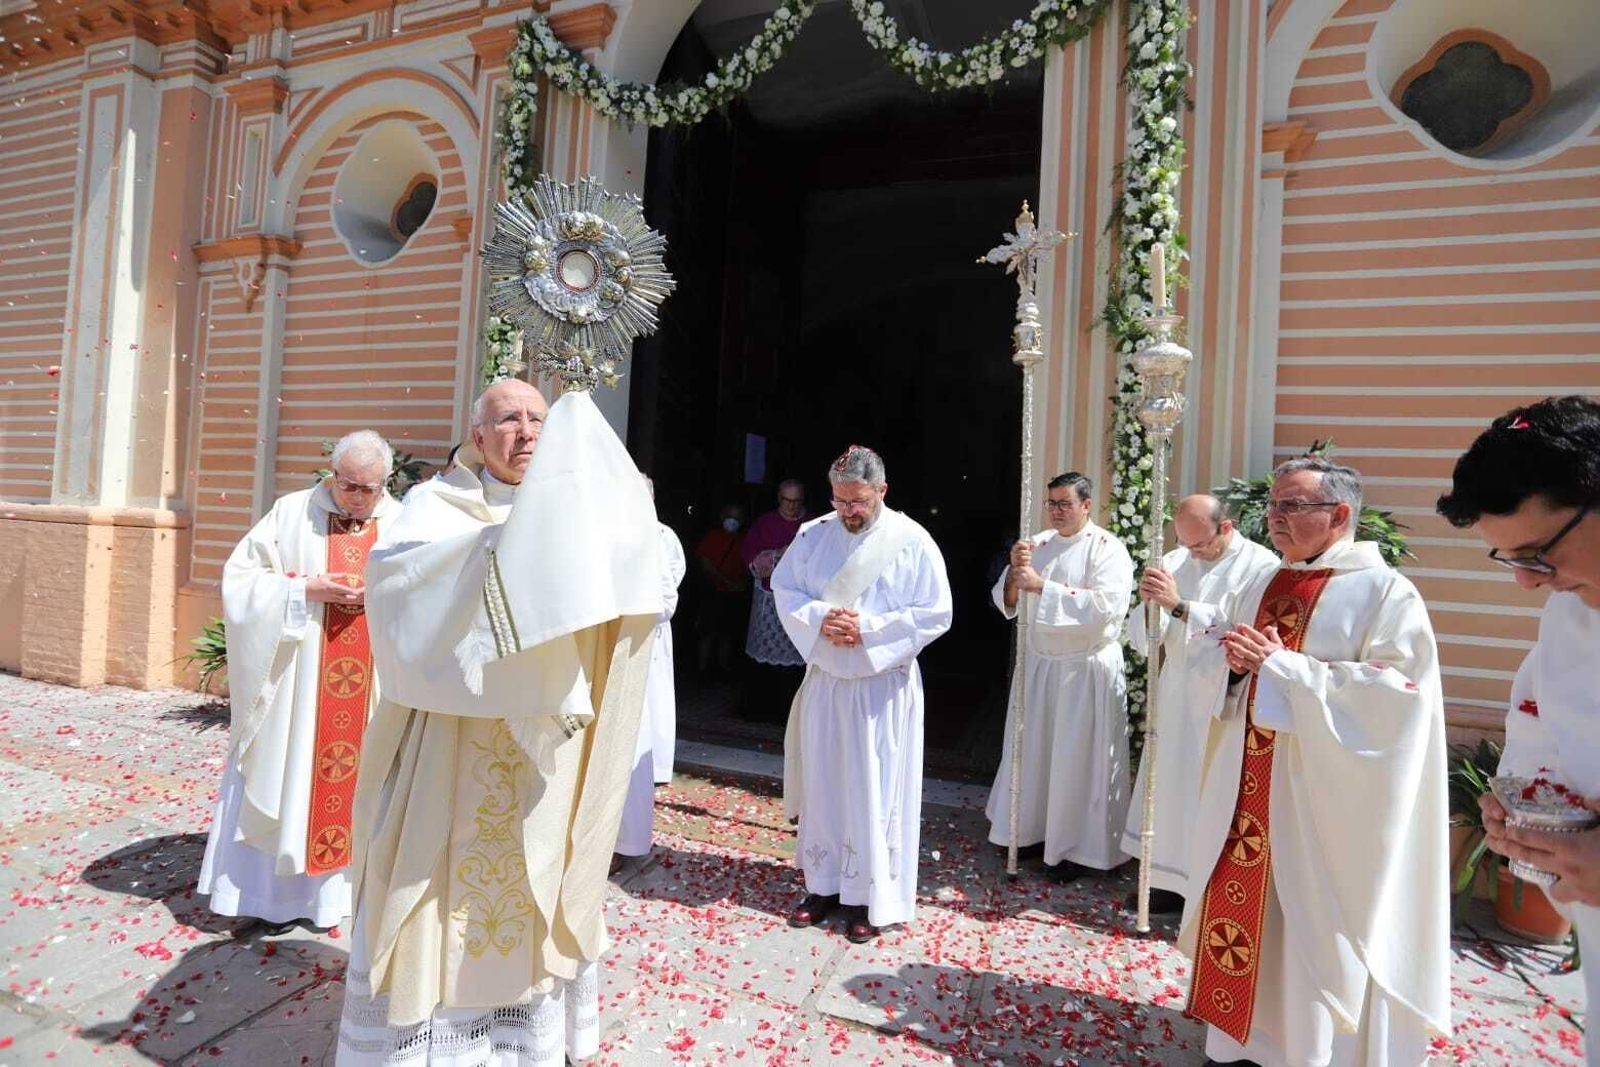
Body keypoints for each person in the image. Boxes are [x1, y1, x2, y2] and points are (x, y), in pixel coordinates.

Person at [335, 378, 661, 1067]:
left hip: (549, 754)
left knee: (537, 874)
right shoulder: (435, 505)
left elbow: (655, 572)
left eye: (537, 417)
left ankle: (529, 1042)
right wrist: (512, 548)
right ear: (477, 436)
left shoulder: (586, 512)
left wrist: (627, 525)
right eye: (507, 418)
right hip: (451, 747)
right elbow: (396, 584)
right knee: (438, 891)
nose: (525, 430)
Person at [1178, 457, 1449, 1067]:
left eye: (1293, 506)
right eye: (1274, 505)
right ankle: (1237, 1042)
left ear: (1341, 514)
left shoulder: (1385, 592)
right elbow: (1217, 657)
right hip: (1247, 793)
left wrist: (1283, 669)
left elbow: (1401, 699)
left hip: (1321, 803)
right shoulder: (1263, 582)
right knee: (1250, 916)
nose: (1275, 517)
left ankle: (1309, 1053)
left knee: (1309, 925)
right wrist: (1233, 665)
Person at [1436, 395, 1600, 1066]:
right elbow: (1543, 721)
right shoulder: (1571, 608)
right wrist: (1522, 805)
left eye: (1539, 553)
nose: (1528, 584)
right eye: (1509, 559)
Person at [198, 430, 399, 931]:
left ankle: (340, 899)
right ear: (332, 475)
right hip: (300, 687)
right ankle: (277, 900)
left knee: (366, 784)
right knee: (291, 778)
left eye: (368, 488)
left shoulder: (400, 521)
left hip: (372, 683)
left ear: (385, 483)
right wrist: (307, 588)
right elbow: (241, 581)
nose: (356, 497)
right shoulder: (290, 513)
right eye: (348, 484)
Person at [774, 445, 952, 944]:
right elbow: (786, 591)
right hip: (828, 684)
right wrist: (819, 619)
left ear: (882, 491)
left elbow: (938, 612)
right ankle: (823, 886)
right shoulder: (812, 536)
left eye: (859, 502)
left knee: (873, 790)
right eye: (839, 501)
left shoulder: (912, 541)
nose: (848, 512)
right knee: (826, 785)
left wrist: (870, 631)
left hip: (880, 691)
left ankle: (869, 898)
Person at [1120, 494, 1278, 914]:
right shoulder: (1176, 561)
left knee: (1206, 791)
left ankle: (1203, 884)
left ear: (1226, 527)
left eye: (1200, 544)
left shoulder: (1261, 567)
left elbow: (1243, 631)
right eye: (1185, 544)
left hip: (1221, 696)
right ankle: (1163, 880)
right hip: (1176, 690)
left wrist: (1180, 606)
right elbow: (1142, 636)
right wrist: (1151, 605)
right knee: (1168, 785)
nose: (1192, 553)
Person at [984, 472, 1135, 883]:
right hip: (1040, 667)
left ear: (1087, 505)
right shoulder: (1038, 545)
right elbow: (1007, 598)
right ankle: (1028, 832)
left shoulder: (1108, 550)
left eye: (1065, 504)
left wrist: (1042, 587)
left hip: (1083, 671)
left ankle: (1076, 849)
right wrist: (1016, 583)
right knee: (1033, 752)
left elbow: (1106, 608)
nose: (1056, 511)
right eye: (1051, 503)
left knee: (1075, 761)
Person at [613, 476, 687, 871]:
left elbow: (665, 597)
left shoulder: (662, 539)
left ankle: (625, 840)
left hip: (641, 644)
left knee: (635, 741)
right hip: (606, 650)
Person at [741, 479, 810, 719]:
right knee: (764, 664)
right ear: (779, 499)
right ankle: (760, 712)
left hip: (800, 603)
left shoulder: (812, 526)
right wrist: (781, 553)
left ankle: (789, 716)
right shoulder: (764, 524)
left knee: (795, 666)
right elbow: (754, 564)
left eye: (796, 501)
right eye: (787, 500)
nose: (791, 506)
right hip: (769, 604)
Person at [694, 502, 748, 676]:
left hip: (733, 596)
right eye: (730, 516)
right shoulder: (712, 536)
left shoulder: (743, 540)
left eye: (737, 518)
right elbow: (705, 564)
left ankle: (722, 669)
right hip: (713, 593)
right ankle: (702, 670)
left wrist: (739, 584)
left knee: (728, 634)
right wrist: (727, 582)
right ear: (722, 517)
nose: (733, 521)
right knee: (707, 633)